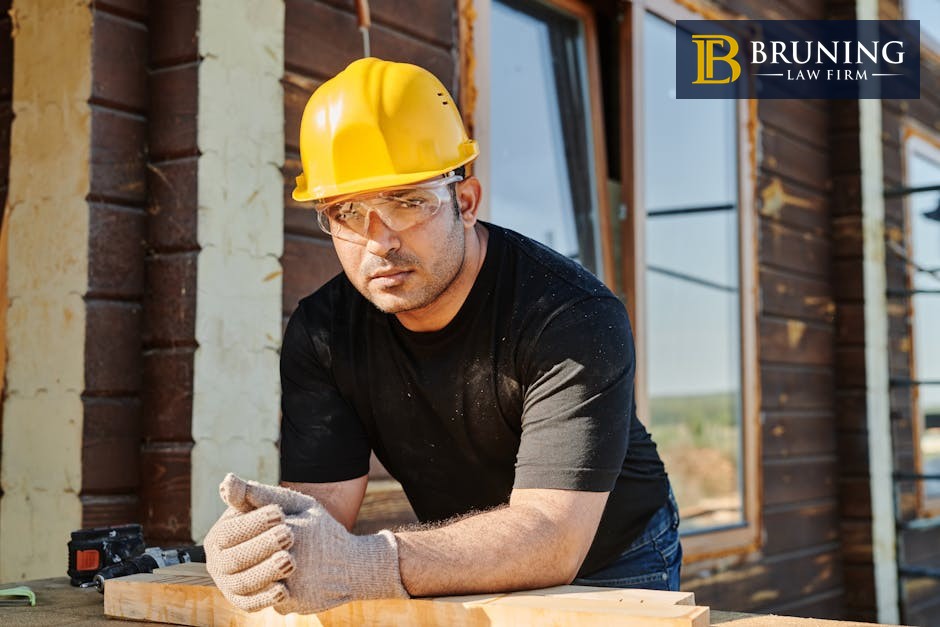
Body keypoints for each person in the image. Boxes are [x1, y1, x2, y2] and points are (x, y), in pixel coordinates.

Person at [204, 57, 680, 615]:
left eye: (408, 202)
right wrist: (268, 544)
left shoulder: (570, 315)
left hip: (609, 555)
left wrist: (372, 563)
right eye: (347, 211)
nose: (378, 241)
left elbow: (553, 537)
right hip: (461, 556)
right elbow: (323, 509)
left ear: (467, 201)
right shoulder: (323, 332)